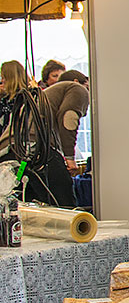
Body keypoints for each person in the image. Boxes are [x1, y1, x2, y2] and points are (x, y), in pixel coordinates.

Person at [0, 61, 75, 206]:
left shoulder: (22, 99)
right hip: (24, 151)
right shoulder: (28, 98)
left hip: (16, 151)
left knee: (19, 192)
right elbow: (68, 120)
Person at [41, 76, 90, 171]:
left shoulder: (53, 93)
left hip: (16, 146)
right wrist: (70, 159)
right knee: (63, 184)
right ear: (76, 81)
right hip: (35, 145)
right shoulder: (78, 88)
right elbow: (68, 119)